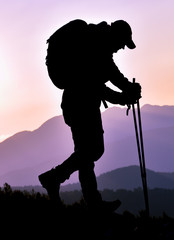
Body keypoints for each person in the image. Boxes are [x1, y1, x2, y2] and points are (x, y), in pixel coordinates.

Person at [39, 19, 141, 212]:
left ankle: (93, 203)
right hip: (81, 104)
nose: (121, 48)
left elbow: (112, 73)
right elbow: (96, 85)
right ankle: (54, 177)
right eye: (122, 43)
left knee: (85, 155)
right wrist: (124, 97)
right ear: (116, 36)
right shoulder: (95, 47)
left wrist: (129, 87)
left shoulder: (100, 47)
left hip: (76, 103)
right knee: (93, 150)